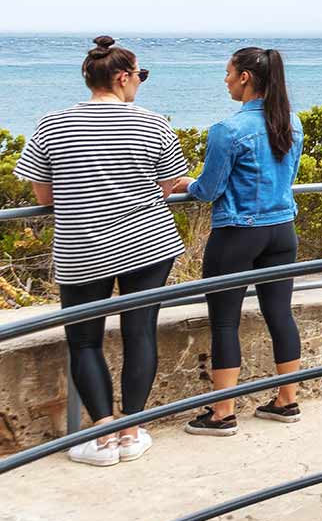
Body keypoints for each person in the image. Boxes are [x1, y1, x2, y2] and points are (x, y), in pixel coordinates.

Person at [13, 37, 192, 466]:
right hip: (149, 243)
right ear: (122, 77)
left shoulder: (51, 123)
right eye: (140, 75)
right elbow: (168, 185)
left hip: (82, 246)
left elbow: (43, 195)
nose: (140, 83)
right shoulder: (153, 123)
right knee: (140, 332)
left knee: (84, 341)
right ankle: (132, 431)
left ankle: (103, 437)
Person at [164, 47, 305, 435]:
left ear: (245, 77)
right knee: (280, 313)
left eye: (228, 73)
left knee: (225, 321)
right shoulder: (292, 123)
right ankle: (287, 400)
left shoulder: (228, 130)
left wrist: (187, 184)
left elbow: (209, 190)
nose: (225, 80)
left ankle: (222, 412)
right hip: (282, 230)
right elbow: (288, 175)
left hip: (238, 234)